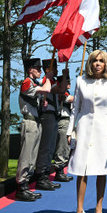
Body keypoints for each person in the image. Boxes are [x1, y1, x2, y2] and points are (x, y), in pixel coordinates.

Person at [66, 50, 107, 213]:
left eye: (101, 61)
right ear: (90, 63)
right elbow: (75, 108)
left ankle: (99, 208)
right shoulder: (80, 80)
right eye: (95, 61)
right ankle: (79, 210)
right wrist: (69, 131)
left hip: (103, 130)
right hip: (83, 127)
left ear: (106, 64)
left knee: (101, 170)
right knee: (81, 170)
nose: (98, 64)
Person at [15, 57, 51, 202]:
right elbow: (46, 88)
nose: (40, 71)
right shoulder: (27, 82)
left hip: (36, 121)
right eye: (38, 69)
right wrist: (47, 77)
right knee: (26, 155)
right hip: (29, 122)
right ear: (31, 70)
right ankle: (21, 186)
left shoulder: (33, 83)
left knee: (32, 156)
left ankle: (26, 184)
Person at [33, 59, 62, 191]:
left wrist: (65, 76)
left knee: (50, 148)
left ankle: (45, 174)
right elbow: (52, 90)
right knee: (45, 147)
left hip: (54, 115)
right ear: (47, 69)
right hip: (47, 115)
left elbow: (60, 90)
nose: (56, 70)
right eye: (54, 68)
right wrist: (49, 78)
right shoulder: (44, 81)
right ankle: (40, 175)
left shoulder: (51, 81)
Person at [52, 71, 74, 182]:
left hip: (67, 120)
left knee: (66, 147)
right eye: (66, 82)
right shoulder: (61, 93)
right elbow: (70, 99)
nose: (69, 83)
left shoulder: (66, 91)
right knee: (62, 146)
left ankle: (61, 169)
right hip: (62, 120)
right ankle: (59, 170)